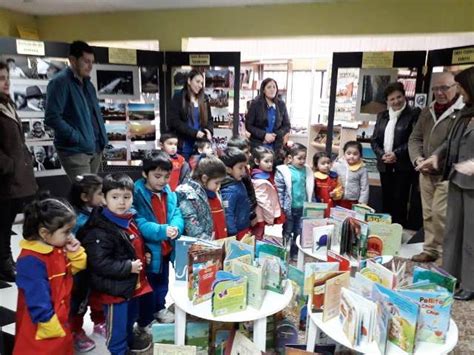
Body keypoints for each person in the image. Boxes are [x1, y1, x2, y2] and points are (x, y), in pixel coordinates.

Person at [416, 67, 474, 300]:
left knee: (471, 236)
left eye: (460, 87)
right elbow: (450, 141)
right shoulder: (465, 112)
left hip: (472, 185)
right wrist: (438, 156)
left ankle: (470, 283)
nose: (458, 91)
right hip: (456, 179)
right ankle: (451, 276)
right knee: (453, 232)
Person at [79, 174, 152, 355]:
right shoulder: (99, 230)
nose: (121, 202)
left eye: (126, 197)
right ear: (103, 199)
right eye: (115, 197)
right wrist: (128, 267)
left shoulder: (129, 219)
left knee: (129, 320)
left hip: (131, 287)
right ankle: (119, 351)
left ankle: (128, 344)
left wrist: (147, 253)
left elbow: (136, 243)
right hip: (114, 293)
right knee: (117, 330)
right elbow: (99, 263)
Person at [13, 198, 86, 354]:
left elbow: (77, 267)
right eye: (66, 231)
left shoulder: (56, 248)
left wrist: (74, 251)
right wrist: (50, 325)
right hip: (43, 325)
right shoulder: (30, 260)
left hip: (60, 318)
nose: (70, 236)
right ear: (44, 233)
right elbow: (37, 299)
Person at [408, 71, 464, 263]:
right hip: (425, 172)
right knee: (428, 214)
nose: (439, 92)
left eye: (445, 88)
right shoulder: (428, 110)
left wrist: (434, 158)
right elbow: (415, 138)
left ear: (456, 87)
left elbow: (452, 142)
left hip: (446, 173)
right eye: (436, 88)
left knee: (442, 215)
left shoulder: (462, 112)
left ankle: (444, 255)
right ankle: (430, 249)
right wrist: (417, 159)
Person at [133, 152, 184, 331]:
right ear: (145, 174)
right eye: (157, 176)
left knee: (163, 283)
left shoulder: (168, 192)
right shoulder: (136, 194)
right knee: (147, 287)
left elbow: (176, 212)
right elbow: (138, 222)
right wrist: (163, 231)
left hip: (165, 249)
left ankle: (159, 309)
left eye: (166, 176)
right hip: (148, 250)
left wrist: (176, 227)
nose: (162, 180)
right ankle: (145, 319)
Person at [45, 40, 108, 181]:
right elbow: (52, 117)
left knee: (92, 194)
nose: (90, 66)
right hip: (76, 151)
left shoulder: (88, 85)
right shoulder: (59, 83)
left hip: (95, 148)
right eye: (86, 61)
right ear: (72, 60)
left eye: (92, 62)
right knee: (85, 194)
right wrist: (76, 137)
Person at [0, 61, 38, 282]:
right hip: (4, 177)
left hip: (15, 177)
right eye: (1, 78)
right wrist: (8, 165)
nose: (6, 82)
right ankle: (5, 262)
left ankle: (5, 261)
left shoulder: (8, 103)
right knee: (3, 222)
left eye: (7, 77)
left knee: (7, 220)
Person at [371, 82, 420, 226]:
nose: (396, 101)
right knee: (386, 199)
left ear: (404, 96)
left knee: (400, 201)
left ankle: (398, 234)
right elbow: (374, 140)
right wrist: (382, 155)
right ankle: (384, 233)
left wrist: (396, 154)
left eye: (399, 97)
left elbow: (414, 140)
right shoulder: (382, 116)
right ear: (387, 101)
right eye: (392, 99)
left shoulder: (413, 114)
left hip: (403, 166)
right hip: (385, 165)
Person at [68, 175, 105, 352]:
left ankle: (99, 321)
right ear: (84, 197)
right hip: (80, 269)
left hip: (97, 265)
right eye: (99, 193)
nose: (103, 196)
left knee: (98, 295)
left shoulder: (97, 210)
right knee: (78, 302)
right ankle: (75, 332)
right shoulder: (74, 220)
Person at [275, 143, 314, 259]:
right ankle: (284, 251)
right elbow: (280, 191)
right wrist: (281, 207)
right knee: (287, 230)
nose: (302, 161)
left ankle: (295, 252)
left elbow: (310, 188)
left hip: (302, 207)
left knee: (299, 231)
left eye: (304, 158)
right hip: (289, 209)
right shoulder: (283, 171)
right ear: (290, 158)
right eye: (299, 158)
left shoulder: (307, 171)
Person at [177, 157, 228, 240]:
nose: (219, 186)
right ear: (204, 178)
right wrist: (208, 243)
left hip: (211, 243)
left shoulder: (210, 191)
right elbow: (192, 226)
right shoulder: (188, 193)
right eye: (217, 183)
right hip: (199, 246)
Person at [168, 69, 213, 160]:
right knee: (185, 171)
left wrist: (209, 130)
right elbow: (174, 121)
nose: (200, 85)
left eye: (201, 83)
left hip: (200, 145)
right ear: (189, 81)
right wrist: (194, 133)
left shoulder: (204, 98)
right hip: (184, 144)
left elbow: (209, 119)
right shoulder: (178, 97)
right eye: (197, 82)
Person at [245, 78, 291, 156]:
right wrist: (264, 135)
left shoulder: (281, 104)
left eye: (274, 87)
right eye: (269, 87)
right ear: (263, 90)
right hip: (258, 145)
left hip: (276, 146)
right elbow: (249, 125)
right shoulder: (255, 104)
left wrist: (275, 135)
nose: (272, 89)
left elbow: (287, 126)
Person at [250, 146, 285, 239]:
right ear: (257, 161)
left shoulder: (266, 176)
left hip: (266, 215)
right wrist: (270, 219)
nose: (270, 164)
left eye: (271, 161)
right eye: (266, 161)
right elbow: (263, 201)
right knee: (259, 238)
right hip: (263, 216)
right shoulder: (259, 179)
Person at [220, 147, 252, 240]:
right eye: (240, 168)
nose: (243, 171)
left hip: (243, 226)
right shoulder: (229, 190)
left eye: (244, 167)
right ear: (228, 169)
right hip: (236, 232)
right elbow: (228, 213)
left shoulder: (238, 182)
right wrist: (232, 233)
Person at [227, 137, 258, 224]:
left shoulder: (244, 168)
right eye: (246, 152)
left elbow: (249, 192)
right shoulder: (235, 174)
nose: (250, 155)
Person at [333, 141, 369, 209]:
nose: (351, 156)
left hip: (353, 201)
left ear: (360, 155)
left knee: (351, 219)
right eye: (348, 153)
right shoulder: (337, 166)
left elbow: (364, 187)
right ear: (344, 154)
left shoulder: (362, 169)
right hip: (338, 199)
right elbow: (331, 179)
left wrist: (362, 202)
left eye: (355, 154)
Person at [313, 151, 343, 217]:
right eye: (323, 163)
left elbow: (339, 188)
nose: (326, 165)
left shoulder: (335, 176)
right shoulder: (314, 177)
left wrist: (335, 193)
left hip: (333, 205)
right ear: (316, 165)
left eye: (328, 163)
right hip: (319, 205)